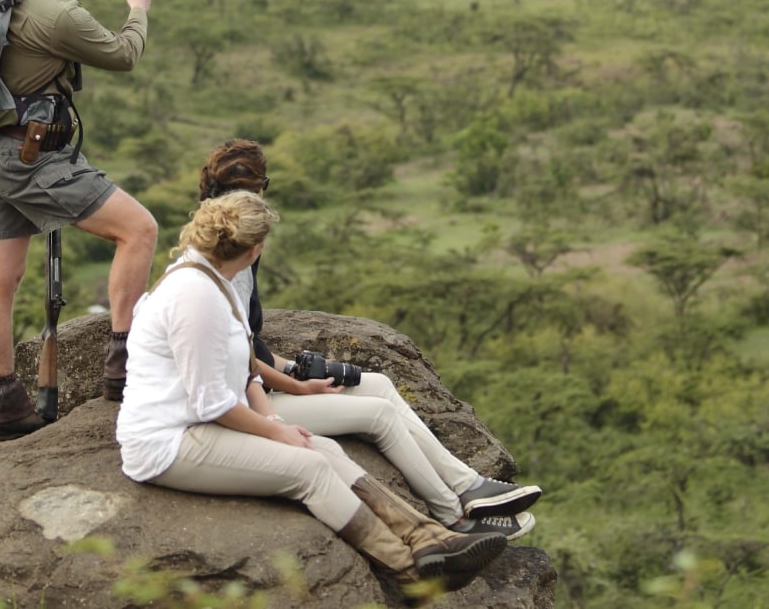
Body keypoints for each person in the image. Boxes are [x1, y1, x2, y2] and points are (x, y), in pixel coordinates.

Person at [116, 190, 505, 590]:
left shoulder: (216, 282)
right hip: (167, 440)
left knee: (324, 448)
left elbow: (247, 372)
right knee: (310, 469)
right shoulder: (194, 295)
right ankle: (407, 570)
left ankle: (429, 538)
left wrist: (274, 419)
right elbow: (210, 401)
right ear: (253, 250)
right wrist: (276, 432)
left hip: (201, 423)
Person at [198, 139, 544, 539]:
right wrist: (295, 386)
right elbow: (239, 365)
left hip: (255, 390)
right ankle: (455, 518)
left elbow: (246, 345)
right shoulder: (225, 271)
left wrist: (294, 369)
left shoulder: (229, 257)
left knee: (377, 383)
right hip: (247, 408)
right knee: (378, 415)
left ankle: (468, 485)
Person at [0, 0, 160, 441]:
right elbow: (123, 56)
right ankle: (124, 370)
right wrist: (136, 10)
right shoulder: (59, 14)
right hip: (28, 156)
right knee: (138, 229)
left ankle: (3, 405)